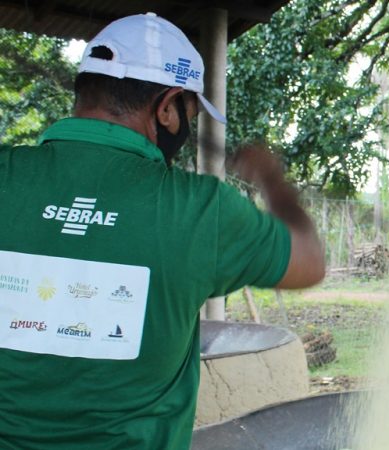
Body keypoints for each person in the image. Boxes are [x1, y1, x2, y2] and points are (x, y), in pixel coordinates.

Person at [0, 13, 325, 449]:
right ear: (167, 107)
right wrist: (273, 181)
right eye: (189, 111)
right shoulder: (201, 210)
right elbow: (308, 263)